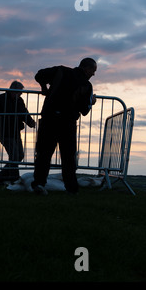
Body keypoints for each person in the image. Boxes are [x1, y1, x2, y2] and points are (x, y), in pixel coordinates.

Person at [31, 57, 97, 195]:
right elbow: (84, 110)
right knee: (68, 157)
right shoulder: (86, 85)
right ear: (87, 68)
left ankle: (39, 184)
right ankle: (71, 188)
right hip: (67, 122)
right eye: (93, 71)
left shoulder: (61, 71)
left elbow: (39, 75)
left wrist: (44, 88)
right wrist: (92, 101)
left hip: (49, 118)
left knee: (44, 154)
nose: (93, 74)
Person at [0, 81, 36, 183]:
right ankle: (14, 178)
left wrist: (30, 122)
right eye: (20, 92)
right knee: (14, 155)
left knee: (20, 155)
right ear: (14, 90)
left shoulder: (19, 101)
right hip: (3, 132)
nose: (21, 94)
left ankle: (0, 177)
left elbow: (24, 113)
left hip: (15, 132)